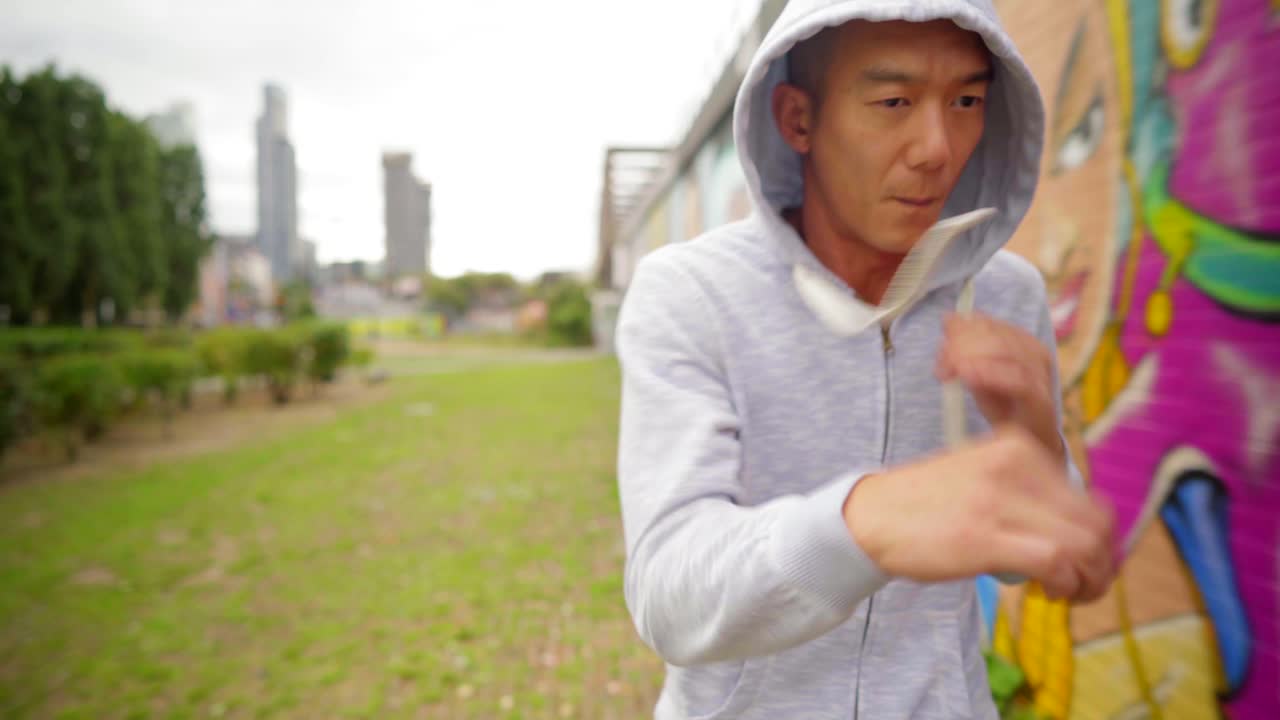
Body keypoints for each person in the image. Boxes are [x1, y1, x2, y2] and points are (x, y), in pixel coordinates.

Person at [614, 1, 1119, 718]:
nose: (937, 146)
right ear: (797, 120)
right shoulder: (692, 294)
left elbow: (1023, 559)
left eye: (967, 100)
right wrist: (866, 521)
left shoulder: (1006, 293)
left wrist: (1037, 449)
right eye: (894, 101)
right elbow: (671, 596)